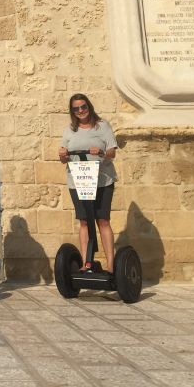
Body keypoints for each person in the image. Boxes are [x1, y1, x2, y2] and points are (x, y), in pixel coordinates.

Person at [58, 93, 118, 272]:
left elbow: (112, 152)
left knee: (103, 220)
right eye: (76, 109)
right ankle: (87, 263)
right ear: (72, 111)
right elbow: (63, 158)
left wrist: (100, 152)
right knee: (84, 221)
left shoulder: (102, 126)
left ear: (89, 106)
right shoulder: (70, 130)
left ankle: (111, 266)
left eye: (83, 107)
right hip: (78, 181)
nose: (81, 111)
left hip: (102, 180)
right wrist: (62, 155)